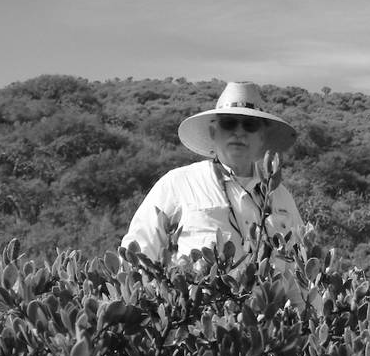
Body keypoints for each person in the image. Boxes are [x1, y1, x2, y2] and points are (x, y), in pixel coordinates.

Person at [122, 81, 304, 266]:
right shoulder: (177, 184)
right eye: (229, 123)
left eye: (249, 125)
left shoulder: (281, 197)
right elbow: (138, 253)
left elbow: (298, 269)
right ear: (213, 132)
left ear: (262, 136)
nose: (239, 132)